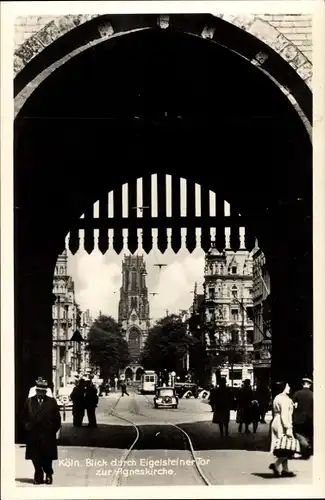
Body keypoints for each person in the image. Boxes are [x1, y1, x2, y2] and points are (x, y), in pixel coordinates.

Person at [22, 378, 61, 485]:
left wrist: (52, 430)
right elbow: (23, 417)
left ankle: (48, 474)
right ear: (36, 391)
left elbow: (57, 419)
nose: (41, 393)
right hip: (33, 435)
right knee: (35, 457)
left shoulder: (52, 402)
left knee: (47, 457)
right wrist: (27, 426)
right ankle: (38, 475)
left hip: (47, 435)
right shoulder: (29, 401)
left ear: (46, 391)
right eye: (39, 391)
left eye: (43, 391)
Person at [269, 381, 296, 477]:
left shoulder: (277, 397)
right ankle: (276, 465)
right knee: (286, 446)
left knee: (283, 446)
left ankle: (285, 469)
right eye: (287, 386)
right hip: (281, 423)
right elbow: (284, 414)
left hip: (276, 421)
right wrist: (288, 427)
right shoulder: (284, 399)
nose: (289, 387)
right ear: (284, 387)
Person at [292, 377, 313, 459]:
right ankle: (307, 452)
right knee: (308, 434)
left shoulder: (297, 394)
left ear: (302, 384)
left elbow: (293, 405)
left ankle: (305, 447)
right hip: (310, 419)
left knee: (298, 434)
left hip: (298, 418)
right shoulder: (313, 394)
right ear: (310, 385)